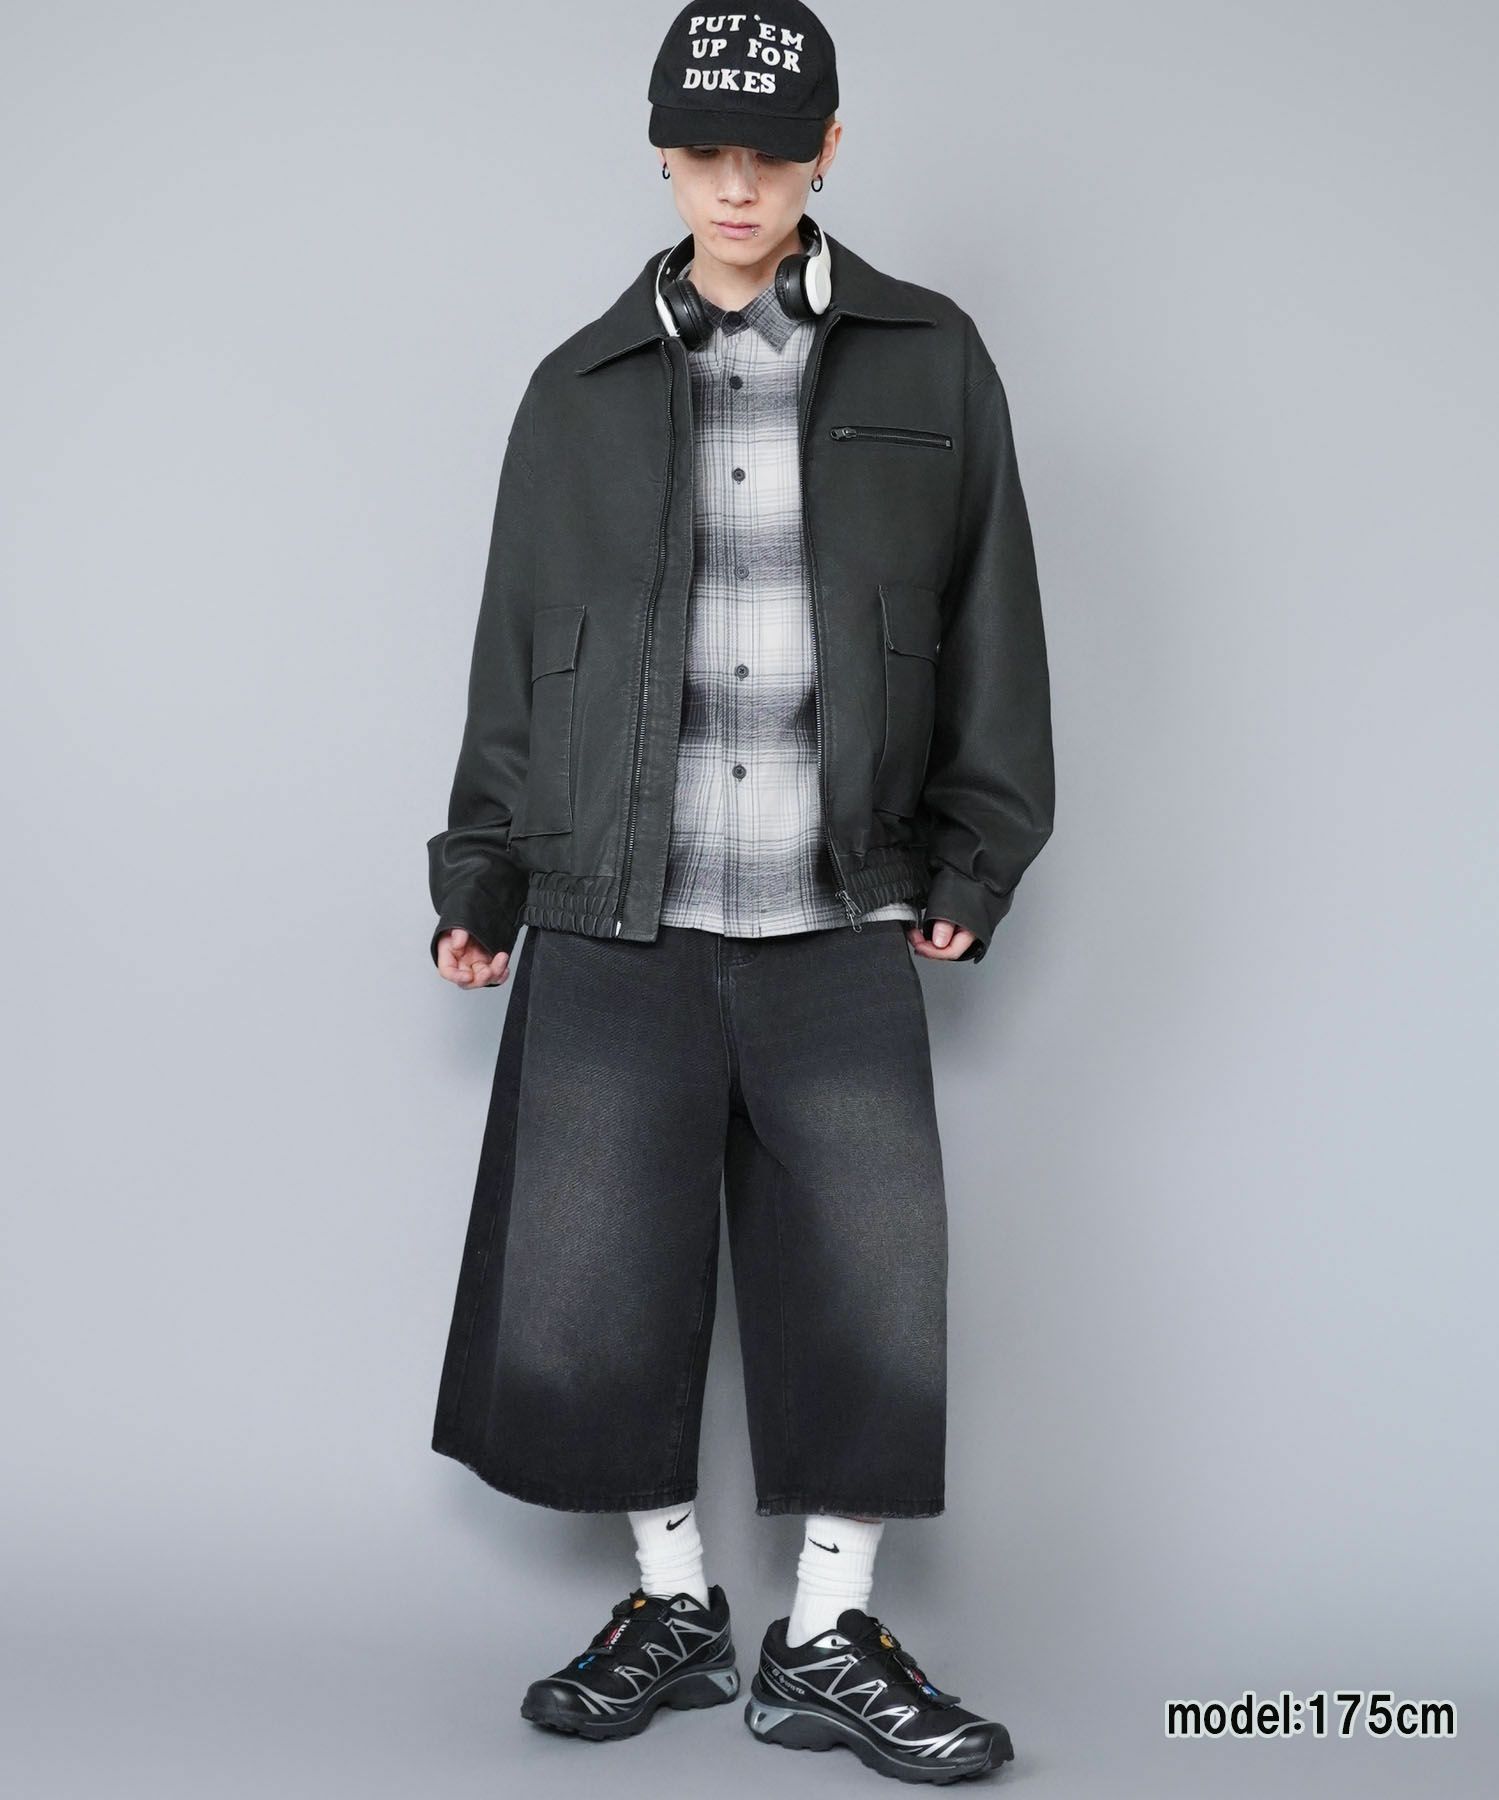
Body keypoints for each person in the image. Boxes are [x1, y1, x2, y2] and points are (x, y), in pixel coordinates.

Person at [425, 1, 1053, 1782]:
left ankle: (829, 1636)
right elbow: (517, 658)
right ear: (661, 153)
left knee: (868, 1282)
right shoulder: (579, 386)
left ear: (827, 151)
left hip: (838, 906)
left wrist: (973, 853)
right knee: (595, 1276)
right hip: (613, 901)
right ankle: (675, 1604)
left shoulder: (933, 359)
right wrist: (484, 870)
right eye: (704, 152)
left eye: (770, 153)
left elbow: (994, 631)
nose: (735, 185)